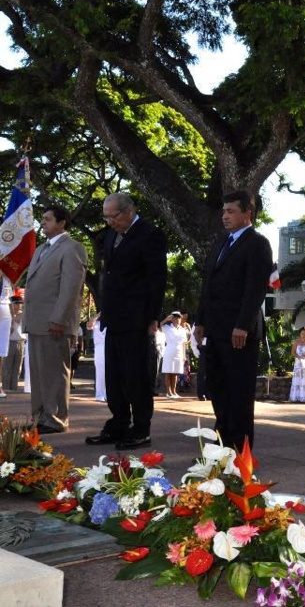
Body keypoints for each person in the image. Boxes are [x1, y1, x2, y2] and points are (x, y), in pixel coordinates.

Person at [85, 193, 167, 451]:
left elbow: (157, 278)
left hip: (137, 318)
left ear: (129, 211)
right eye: (106, 217)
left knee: (136, 376)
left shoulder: (149, 234)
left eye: (114, 216)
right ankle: (118, 423)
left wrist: (153, 316)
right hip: (113, 317)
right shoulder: (110, 235)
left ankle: (141, 428)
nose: (110, 222)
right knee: (114, 376)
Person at [194, 189, 273, 451]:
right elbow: (208, 284)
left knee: (238, 390)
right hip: (215, 329)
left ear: (247, 214)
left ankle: (240, 448)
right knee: (216, 385)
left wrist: (243, 324)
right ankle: (222, 441)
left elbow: (255, 288)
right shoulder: (220, 243)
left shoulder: (257, 243)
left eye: (231, 211)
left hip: (239, 332)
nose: (225, 216)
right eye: (223, 211)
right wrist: (200, 321)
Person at [22, 206, 88, 433]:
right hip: (36, 322)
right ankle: (40, 417)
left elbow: (70, 288)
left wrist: (60, 319)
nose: (42, 223)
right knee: (39, 374)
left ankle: (56, 420)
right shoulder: (41, 248)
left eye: (47, 219)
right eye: (42, 219)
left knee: (54, 374)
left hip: (54, 324)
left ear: (62, 223)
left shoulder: (72, 248)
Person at [160, 312, 188, 399]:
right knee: (169, 372)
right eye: (175, 318)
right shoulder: (167, 328)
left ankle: (174, 392)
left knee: (175, 373)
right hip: (169, 351)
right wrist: (166, 319)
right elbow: (159, 326)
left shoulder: (182, 330)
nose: (178, 319)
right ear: (172, 319)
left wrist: (184, 355)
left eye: (179, 318)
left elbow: (184, 343)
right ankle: (169, 393)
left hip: (179, 352)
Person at [2, 292, 25, 393]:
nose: (19, 305)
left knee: (17, 369)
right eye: (16, 303)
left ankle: (14, 389)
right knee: (7, 368)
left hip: (21, 342)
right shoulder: (6, 316)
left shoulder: (23, 315)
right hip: (10, 343)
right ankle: (6, 388)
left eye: (20, 303)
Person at [288, 327, 305, 403]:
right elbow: (293, 352)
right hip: (298, 362)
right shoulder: (296, 342)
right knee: (298, 379)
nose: (304, 335)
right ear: (300, 333)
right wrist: (299, 357)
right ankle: (296, 397)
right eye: (302, 333)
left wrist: (304, 358)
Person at [86, 313, 107, 402]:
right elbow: (89, 326)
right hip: (100, 347)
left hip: (110, 346)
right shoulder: (96, 322)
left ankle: (108, 393)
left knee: (110, 371)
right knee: (100, 371)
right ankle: (100, 394)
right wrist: (98, 315)